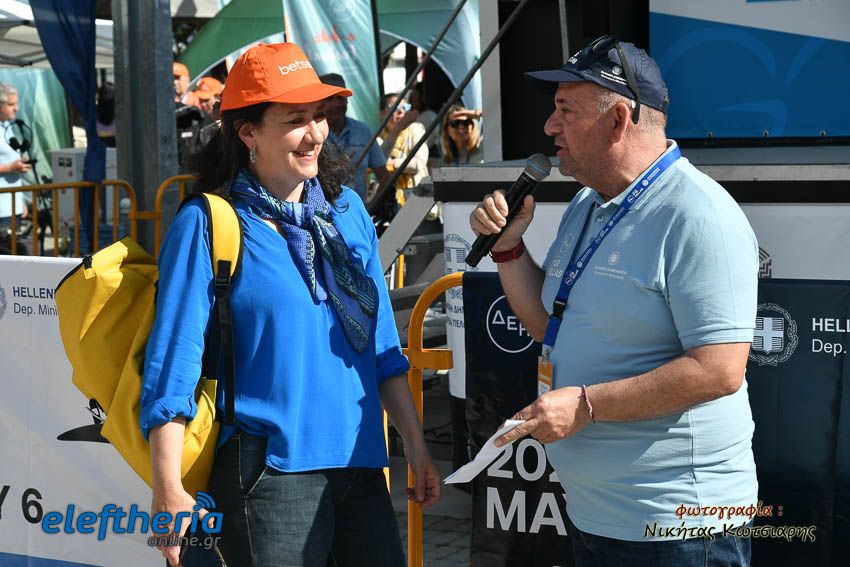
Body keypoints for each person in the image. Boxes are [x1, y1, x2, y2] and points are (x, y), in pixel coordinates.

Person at [142, 43, 441, 567]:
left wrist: (415, 445)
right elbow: (173, 363)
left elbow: (381, 347)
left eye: (318, 116)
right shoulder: (208, 223)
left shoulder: (346, 212)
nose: (316, 134)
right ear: (247, 132)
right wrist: (167, 488)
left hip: (361, 464)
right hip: (269, 474)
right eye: (295, 120)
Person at [469, 36, 758, 566]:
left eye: (566, 110)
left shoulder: (698, 215)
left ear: (619, 120)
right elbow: (549, 326)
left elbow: (719, 370)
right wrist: (508, 249)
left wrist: (585, 405)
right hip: (595, 517)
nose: (549, 126)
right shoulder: (587, 204)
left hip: (679, 530)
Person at [319, 72, 390, 202]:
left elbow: (384, 176)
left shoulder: (363, 131)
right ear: (319, 102)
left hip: (356, 211)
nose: (336, 104)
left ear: (347, 100)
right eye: (329, 98)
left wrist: (371, 207)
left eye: (340, 98)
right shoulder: (312, 133)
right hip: (321, 211)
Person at [378, 93, 429, 202]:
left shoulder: (416, 129)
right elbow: (379, 164)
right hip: (388, 202)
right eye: (395, 107)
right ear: (382, 113)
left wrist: (392, 163)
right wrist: (397, 130)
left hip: (418, 202)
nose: (401, 111)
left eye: (405, 107)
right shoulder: (377, 139)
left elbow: (418, 164)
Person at [0, 82, 29, 229]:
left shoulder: (7, 126)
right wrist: (10, 168)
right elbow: (9, 165)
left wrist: (21, 201)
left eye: (16, 104)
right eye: (11, 104)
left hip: (12, 204)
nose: (16, 108)